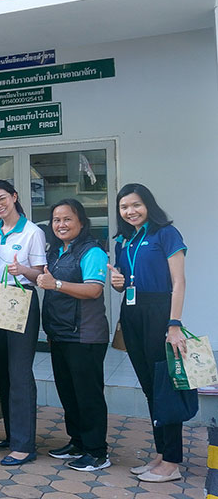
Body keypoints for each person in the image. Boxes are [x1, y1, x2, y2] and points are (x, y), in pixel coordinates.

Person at [108, 183, 187, 483]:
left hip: (159, 312)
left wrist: (174, 324)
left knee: (165, 387)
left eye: (136, 205)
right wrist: (116, 283)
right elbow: (124, 282)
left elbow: (178, 283)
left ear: (148, 205)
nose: (130, 211)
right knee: (149, 388)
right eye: (124, 207)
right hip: (132, 313)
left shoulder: (166, 234)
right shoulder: (123, 241)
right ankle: (162, 453)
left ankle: (172, 463)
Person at [36, 199, 110, 472]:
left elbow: (94, 289)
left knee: (88, 395)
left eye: (67, 219)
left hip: (85, 335)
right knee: (69, 393)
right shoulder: (57, 252)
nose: (61, 224)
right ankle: (78, 442)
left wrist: (55, 283)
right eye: (56, 220)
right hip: (60, 334)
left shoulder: (92, 251)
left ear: (81, 222)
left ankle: (97, 451)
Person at [0, 180, 46, 466]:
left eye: (2, 199)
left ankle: (24, 445)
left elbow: (40, 275)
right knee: (5, 372)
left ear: (14, 197)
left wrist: (22, 269)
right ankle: (12, 435)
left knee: (20, 372)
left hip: (22, 298)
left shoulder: (33, 232)